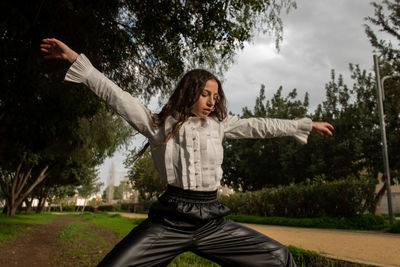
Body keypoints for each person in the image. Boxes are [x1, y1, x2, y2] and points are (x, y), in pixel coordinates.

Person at [41, 38, 333, 267]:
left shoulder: (220, 125)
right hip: (169, 221)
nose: (211, 101)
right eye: (205, 93)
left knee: (279, 258)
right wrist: (77, 60)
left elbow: (260, 126)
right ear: (189, 91)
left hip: (212, 222)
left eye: (215, 96)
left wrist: (303, 124)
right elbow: (117, 96)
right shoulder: (158, 125)